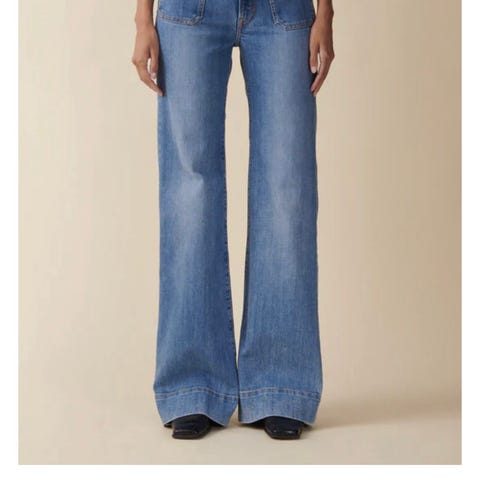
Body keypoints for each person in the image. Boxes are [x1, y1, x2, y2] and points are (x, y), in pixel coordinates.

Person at [132, 0, 334, 440]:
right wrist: (143, 18)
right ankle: (192, 386)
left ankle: (280, 386)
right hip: (190, 12)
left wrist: (326, 12)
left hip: (284, 12)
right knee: (189, 192)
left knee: (287, 189)